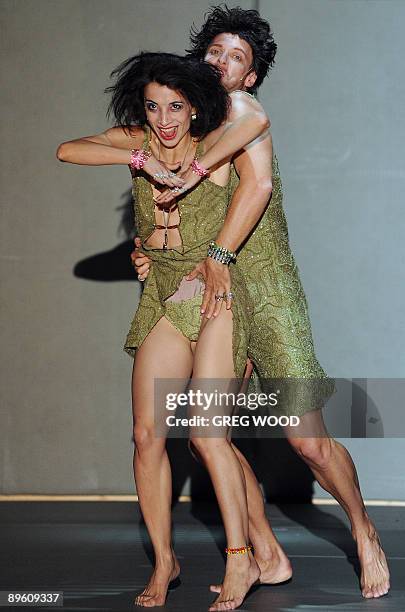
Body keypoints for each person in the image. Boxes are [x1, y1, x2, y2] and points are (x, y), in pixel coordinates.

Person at [131, 5, 391, 601]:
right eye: (214, 52)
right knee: (210, 435)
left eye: (236, 57)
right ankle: (265, 554)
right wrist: (148, 251)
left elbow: (260, 184)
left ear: (250, 77)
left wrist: (216, 257)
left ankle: (363, 527)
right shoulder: (184, 123)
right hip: (213, 298)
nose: (221, 62)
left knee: (306, 441)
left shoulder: (243, 111)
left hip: (266, 292)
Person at [57, 51, 283, 611]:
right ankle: (165, 561)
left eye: (177, 106)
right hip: (161, 290)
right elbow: (67, 150)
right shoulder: (137, 143)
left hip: (211, 292)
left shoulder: (216, 143)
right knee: (146, 435)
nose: (165, 119)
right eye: (154, 106)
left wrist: (196, 166)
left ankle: (241, 557)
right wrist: (137, 156)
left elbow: (255, 121)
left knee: (207, 434)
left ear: (194, 107)